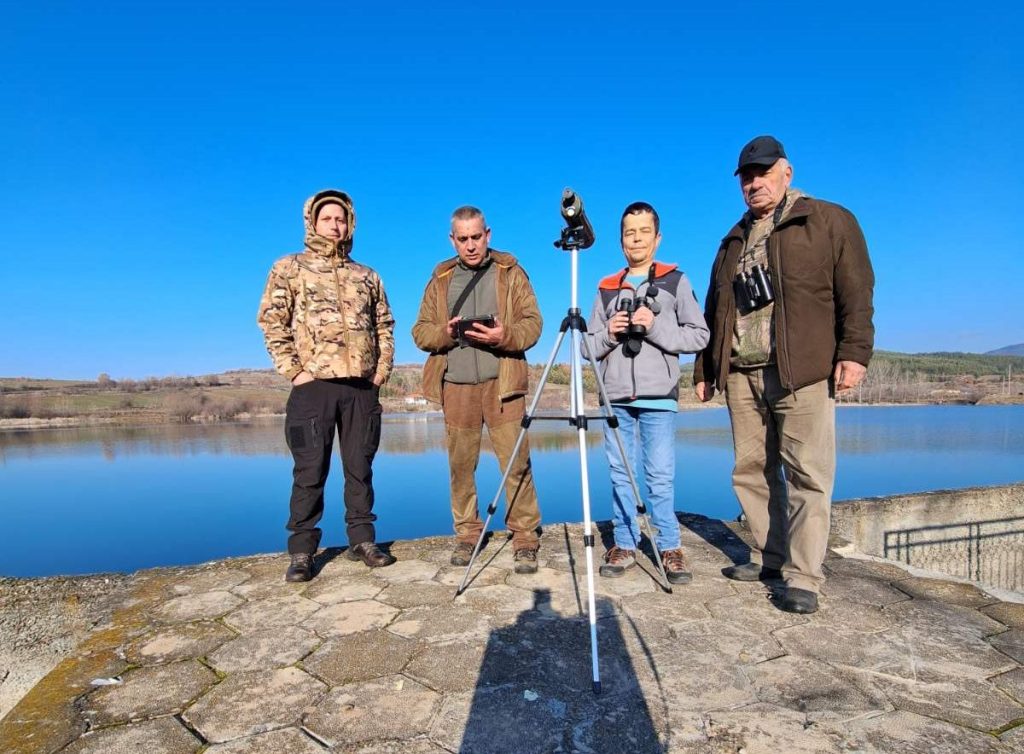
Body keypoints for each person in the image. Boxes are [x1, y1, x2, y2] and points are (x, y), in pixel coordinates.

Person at [694, 136, 875, 614]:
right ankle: (769, 556)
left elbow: (856, 291)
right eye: (746, 177)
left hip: (802, 371)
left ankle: (803, 576)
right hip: (741, 372)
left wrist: (854, 352)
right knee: (750, 470)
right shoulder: (732, 239)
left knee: (806, 474)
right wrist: (705, 366)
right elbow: (716, 309)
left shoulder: (827, 220)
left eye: (763, 172)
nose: (754, 183)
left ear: (786, 171)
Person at [257, 189, 396, 582]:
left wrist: (380, 373)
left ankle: (363, 540)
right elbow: (272, 322)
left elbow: (385, 325)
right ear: (312, 223)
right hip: (313, 388)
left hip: (360, 389)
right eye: (327, 219)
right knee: (309, 471)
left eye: (341, 219)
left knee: (359, 468)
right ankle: (302, 550)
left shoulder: (366, 275)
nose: (335, 226)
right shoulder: (290, 268)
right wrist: (295, 373)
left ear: (350, 224)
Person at [412, 206, 543, 574]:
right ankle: (468, 534)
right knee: (460, 467)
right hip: (456, 387)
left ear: (488, 234)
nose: (470, 245)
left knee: (516, 464)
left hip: (503, 384)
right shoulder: (441, 277)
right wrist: (448, 332)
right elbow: (420, 331)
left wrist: (505, 336)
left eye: (476, 237)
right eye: (463, 239)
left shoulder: (510, 272)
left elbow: (533, 324)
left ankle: (525, 538)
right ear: (452, 240)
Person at [584, 202, 710, 585]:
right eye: (628, 232)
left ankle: (669, 546)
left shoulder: (676, 280)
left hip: (659, 395)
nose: (635, 239)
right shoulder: (606, 288)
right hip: (616, 397)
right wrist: (610, 333)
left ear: (657, 238)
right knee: (621, 474)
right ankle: (624, 542)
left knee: (658, 474)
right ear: (621, 240)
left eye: (643, 232)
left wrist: (653, 327)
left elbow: (699, 335)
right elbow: (585, 346)